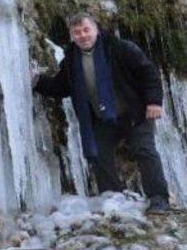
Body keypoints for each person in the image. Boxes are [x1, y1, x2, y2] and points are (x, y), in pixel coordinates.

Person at [33, 13, 170, 213]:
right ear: (72, 36)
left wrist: (154, 102)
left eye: (86, 30)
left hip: (134, 112)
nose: (83, 36)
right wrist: (37, 81)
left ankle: (159, 198)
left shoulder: (120, 48)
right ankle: (113, 197)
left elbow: (148, 73)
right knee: (97, 154)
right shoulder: (72, 59)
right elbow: (61, 87)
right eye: (77, 32)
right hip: (104, 119)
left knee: (145, 151)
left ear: (96, 30)